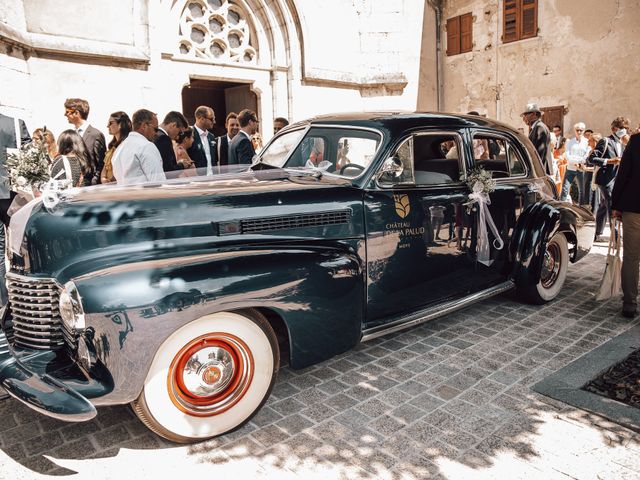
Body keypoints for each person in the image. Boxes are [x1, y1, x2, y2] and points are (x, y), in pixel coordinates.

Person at [0, 111, 30, 306]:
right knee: (23, 248)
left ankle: (3, 305)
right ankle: (26, 301)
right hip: (13, 195)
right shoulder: (15, 123)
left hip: (12, 195)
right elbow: (32, 157)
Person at [612, 132, 640, 318]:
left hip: (634, 204)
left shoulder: (636, 141)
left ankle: (630, 303)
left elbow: (623, 173)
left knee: (631, 256)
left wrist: (616, 204)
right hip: (633, 205)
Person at [588, 116, 628, 243]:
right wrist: (610, 161)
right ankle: (615, 238)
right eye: (622, 128)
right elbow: (591, 159)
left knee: (604, 206)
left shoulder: (622, 143)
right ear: (614, 128)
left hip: (616, 179)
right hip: (605, 180)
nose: (624, 130)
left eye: (626, 128)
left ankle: (596, 233)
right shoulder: (605, 141)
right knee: (612, 205)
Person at [111, 109, 166, 185]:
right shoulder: (146, 146)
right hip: (146, 196)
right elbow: (158, 181)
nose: (156, 133)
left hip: (125, 196)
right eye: (155, 129)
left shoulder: (118, 150)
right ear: (144, 126)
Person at [63, 98, 105, 185]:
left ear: (76, 113)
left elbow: (101, 163)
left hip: (91, 187)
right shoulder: (71, 135)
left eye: (67, 112)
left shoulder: (95, 134)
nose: (65, 115)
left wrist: (94, 182)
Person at [521, 103, 554, 177]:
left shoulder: (540, 127)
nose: (524, 118)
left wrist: (536, 172)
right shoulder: (536, 127)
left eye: (525, 115)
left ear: (533, 114)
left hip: (540, 171)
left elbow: (539, 153)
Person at [101, 111, 132, 184]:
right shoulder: (112, 147)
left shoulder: (127, 144)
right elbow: (104, 169)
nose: (107, 126)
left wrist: (112, 180)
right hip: (109, 188)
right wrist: (103, 179)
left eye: (110, 123)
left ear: (120, 124)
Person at [562, 122, 589, 204]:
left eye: (581, 130)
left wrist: (578, 161)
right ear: (575, 130)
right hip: (570, 168)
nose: (579, 132)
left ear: (583, 131)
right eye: (577, 130)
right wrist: (576, 161)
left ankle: (581, 208)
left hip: (580, 169)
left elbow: (586, 156)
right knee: (565, 188)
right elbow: (567, 155)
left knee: (581, 190)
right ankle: (562, 207)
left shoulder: (587, 142)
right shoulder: (570, 142)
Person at [187, 106, 217, 175]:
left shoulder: (211, 136)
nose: (214, 122)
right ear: (202, 119)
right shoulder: (189, 135)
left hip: (213, 179)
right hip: (197, 180)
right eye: (212, 119)